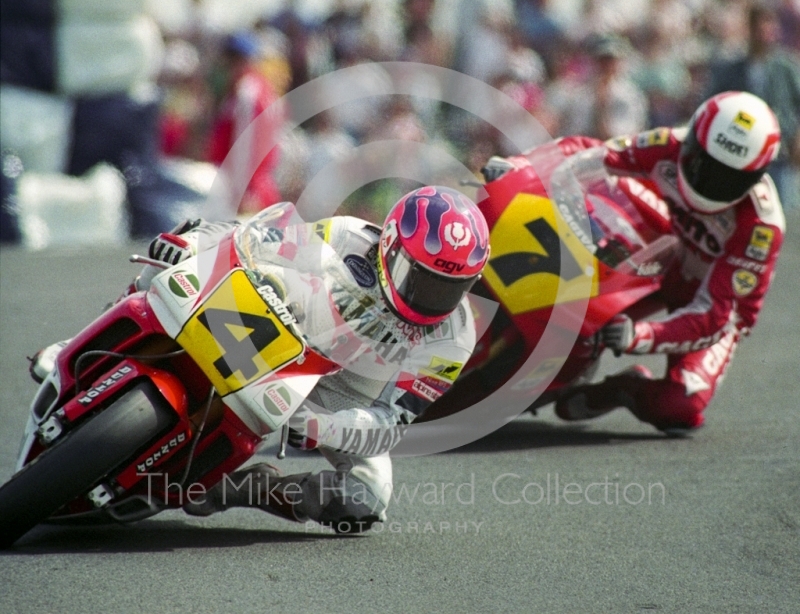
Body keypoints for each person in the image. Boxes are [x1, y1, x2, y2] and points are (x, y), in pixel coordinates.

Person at [31, 186, 490, 534]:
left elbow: (391, 420)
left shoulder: (455, 338)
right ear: (391, 246)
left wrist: (320, 428)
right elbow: (258, 239)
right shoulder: (348, 236)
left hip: (341, 394)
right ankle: (73, 345)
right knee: (174, 260)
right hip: (292, 319)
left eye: (453, 287)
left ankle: (238, 487)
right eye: (423, 278)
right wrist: (194, 245)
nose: (436, 299)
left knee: (368, 499)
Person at [554, 91, 784, 436]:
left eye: (728, 178)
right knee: (575, 328)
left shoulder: (761, 226)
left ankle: (624, 389)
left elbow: (715, 316)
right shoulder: (668, 143)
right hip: (655, 260)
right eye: (701, 163)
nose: (708, 181)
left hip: (709, 303)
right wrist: (524, 166)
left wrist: (640, 336)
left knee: (681, 404)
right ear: (692, 141)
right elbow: (593, 154)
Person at [705, 5, 800, 209]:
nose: (766, 30)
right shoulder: (730, 68)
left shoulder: (786, 68)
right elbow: (713, 103)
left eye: (770, 24)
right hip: (739, 153)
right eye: (761, 24)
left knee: (775, 209)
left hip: (777, 154)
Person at [207, 31, 283, 215]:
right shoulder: (258, 88)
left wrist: (241, 192)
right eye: (230, 59)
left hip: (249, 190)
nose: (232, 65)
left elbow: (244, 147)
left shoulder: (247, 92)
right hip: (252, 185)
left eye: (238, 59)